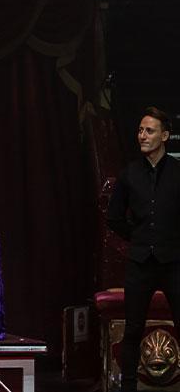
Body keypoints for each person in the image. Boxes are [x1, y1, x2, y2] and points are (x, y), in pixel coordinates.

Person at [107, 106, 180, 392]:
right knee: (133, 329)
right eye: (140, 130)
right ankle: (128, 387)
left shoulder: (177, 173)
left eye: (149, 130)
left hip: (174, 261)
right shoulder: (129, 174)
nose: (142, 135)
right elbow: (114, 217)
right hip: (140, 262)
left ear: (165, 135)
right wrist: (137, 238)